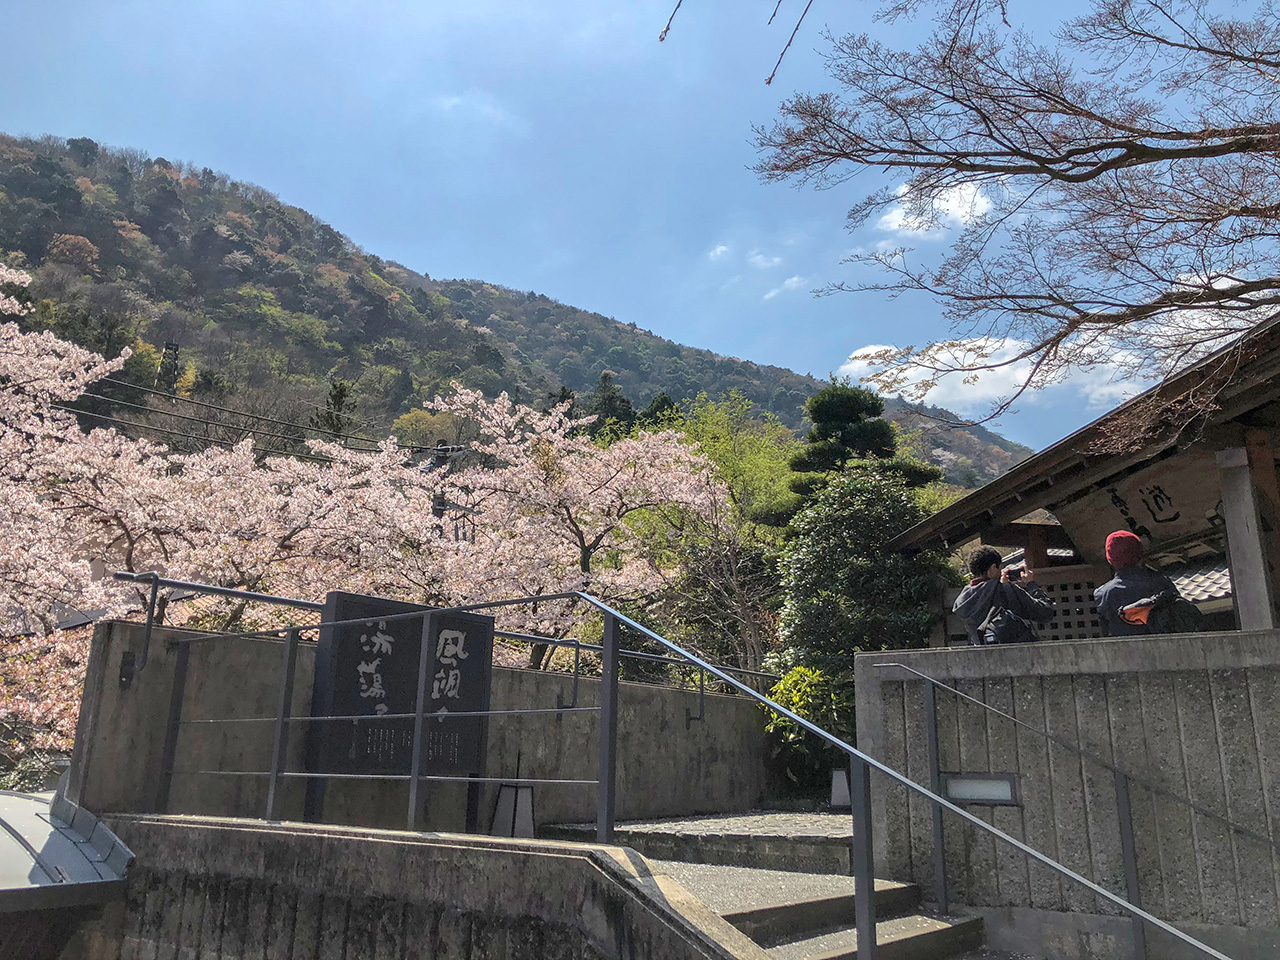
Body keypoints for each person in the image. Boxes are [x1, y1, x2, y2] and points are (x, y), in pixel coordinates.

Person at [953, 546, 1056, 645]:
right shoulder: (1002, 589)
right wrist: (1031, 584)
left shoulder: (963, 599)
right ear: (993, 568)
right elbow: (1045, 613)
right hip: (1016, 656)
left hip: (982, 656)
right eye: (1000, 568)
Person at [1093, 530, 1181, 636]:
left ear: (1110, 559)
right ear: (1140, 553)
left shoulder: (1101, 595)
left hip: (1123, 652)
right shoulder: (1162, 583)